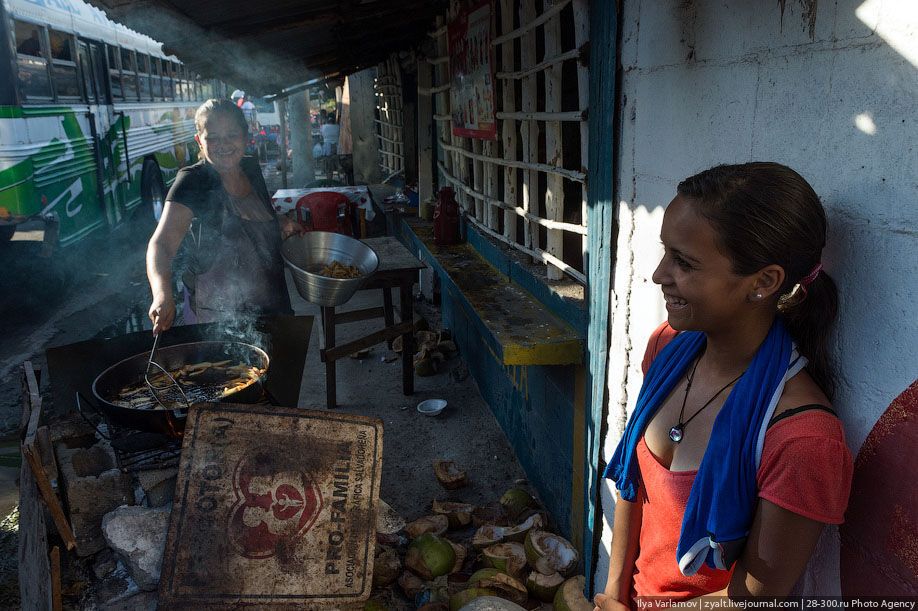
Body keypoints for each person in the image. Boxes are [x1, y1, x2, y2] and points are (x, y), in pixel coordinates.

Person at [595, 163, 852, 608]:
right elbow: (633, 487)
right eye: (665, 252)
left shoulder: (802, 440)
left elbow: (754, 597)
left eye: (685, 263)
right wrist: (614, 591)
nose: (659, 275)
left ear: (764, 282)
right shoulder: (669, 349)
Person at [147, 98, 302, 333]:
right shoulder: (193, 181)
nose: (224, 144)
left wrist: (281, 223)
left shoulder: (251, 168)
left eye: (232, 135)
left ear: (245, 136)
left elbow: (255, 219)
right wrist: (162, 294)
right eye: (213, 137)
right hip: (221, 325)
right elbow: (162, 244)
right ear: (200, 141)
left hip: (276, 309)